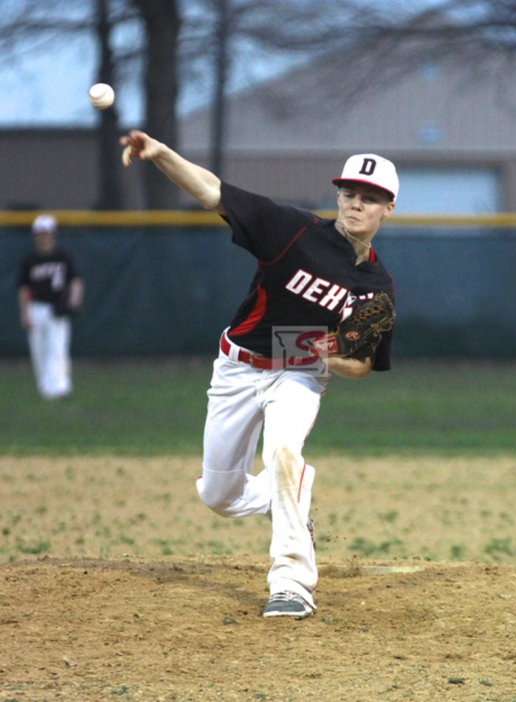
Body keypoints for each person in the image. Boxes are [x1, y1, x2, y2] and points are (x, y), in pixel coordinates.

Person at [120, 130, 398, 618]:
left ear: (387, 209)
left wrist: (321, 353)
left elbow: (361, 363)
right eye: (350, 193)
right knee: (218, 495)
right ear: (338, 196)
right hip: (236, 367)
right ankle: (284, 495)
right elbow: (213, 192)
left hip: (300, 377)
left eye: (370, 198)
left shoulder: (377, 285)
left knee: (283, 452)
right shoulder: (293, 231)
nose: (356, 204)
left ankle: (292, 582)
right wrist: (160, 153)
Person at [17, 214, 84, 400]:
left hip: (56, 307)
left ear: (52, 234)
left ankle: (60, 387)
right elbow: (23, 288)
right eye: (40, 233)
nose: (43, 236)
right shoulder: (30, 260)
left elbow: (75, 280)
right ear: (35, 235)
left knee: (56, 348)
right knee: (39, 350)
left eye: (46, 232)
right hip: (36, 307)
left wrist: (75, 299)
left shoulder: (62, 257)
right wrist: (24, 314)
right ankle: (46, 388)